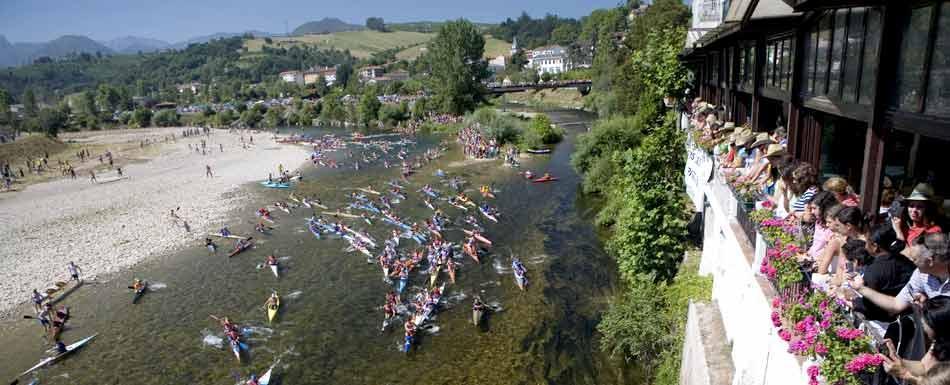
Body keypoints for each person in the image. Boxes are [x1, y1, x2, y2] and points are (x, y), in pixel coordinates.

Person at [851, 233, 950, 317]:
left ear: (930, 261)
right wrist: (861, 289)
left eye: (915, 259)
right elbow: (895, 305)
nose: (912, 262)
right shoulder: (921, 274)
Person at [848, 226, 916, 322]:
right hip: (909, 314)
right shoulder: (905, 260)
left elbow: (870, 308)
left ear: (875, 246)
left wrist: (851, 299)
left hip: (888, 320)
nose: (865, 246)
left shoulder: (874, 270)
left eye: (867, 242)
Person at [880, 296, 950, 384]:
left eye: (927, 323)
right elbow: (924, 367)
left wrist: (906, 375)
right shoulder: (939, 341)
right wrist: (897, 359)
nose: (923, 326)